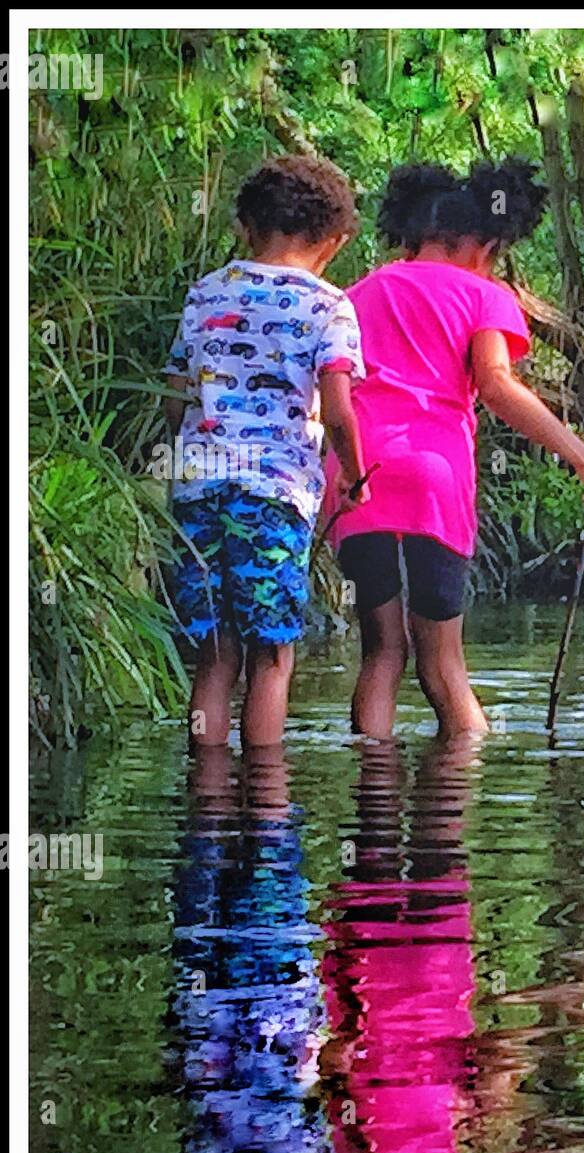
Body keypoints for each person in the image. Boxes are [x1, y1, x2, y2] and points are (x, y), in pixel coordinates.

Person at [320, 158, 584, 741]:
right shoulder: (484, 297)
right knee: (443, 662)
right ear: (482, 245)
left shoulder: (354, 295)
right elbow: (496, 386)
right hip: (435, 477)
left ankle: (374, 808)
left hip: (358, 475)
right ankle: (456, 801)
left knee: (382, 651)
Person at [163, 155, 369, 748]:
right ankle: (268, 809)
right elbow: (336, 410)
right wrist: (355, 476)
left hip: (198, 489)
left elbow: (174, 397)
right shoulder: (328, 306)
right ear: (334, 239)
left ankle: (207, 807)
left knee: (214, 654)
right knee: (272, 655)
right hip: (273, 497)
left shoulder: (205, 293)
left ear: (246, 225)